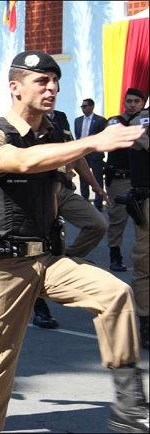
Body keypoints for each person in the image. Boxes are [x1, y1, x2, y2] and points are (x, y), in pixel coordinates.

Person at [0, 50, 147, 433]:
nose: (52, 87)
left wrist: (92, 186)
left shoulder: (55, 133)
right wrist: (95, 142)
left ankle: (129, 405)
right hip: (3, 267)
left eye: (55, 80)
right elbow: (25, 162)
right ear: (15, 87)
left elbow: (63, 167)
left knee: (115, 293)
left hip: (47, 261)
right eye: (42, 81)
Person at [31, 106, 109, 329]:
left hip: (64, 189)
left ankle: (66, 261)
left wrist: (96, 186)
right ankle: (39, 306)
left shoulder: (61, 123)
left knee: (97, 224)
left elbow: (79, 158)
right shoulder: (28, 130)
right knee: (43, 245)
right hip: (43, 193)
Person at [106, 88, 145, 272]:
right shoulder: (116, 121)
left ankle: (142, 258)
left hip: (141, 181)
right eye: (129, 101)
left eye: (136, 101)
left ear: (143, 103)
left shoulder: (145, 121)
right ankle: (115, 256)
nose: (132, 105)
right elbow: (118, 135)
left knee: (142, 220)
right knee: (118, 219)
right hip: (120, 178)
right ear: (124, 103)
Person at [127, 106, 149, 349]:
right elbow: (135, 137)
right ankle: (146, 321)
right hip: (147, 198)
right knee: (145, 263)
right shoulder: (142, 118)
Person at [75, 98, 107, 210]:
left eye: (85, 106)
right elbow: (77, 137)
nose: (83, 108)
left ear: (92, 106)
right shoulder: (77, 120)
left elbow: (104, 137)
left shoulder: (100, 120)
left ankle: (98, 205)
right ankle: (85, 203)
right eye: (82, 106)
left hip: (95, 154)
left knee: (97, 179)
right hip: (82, 154)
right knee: (83, 178)